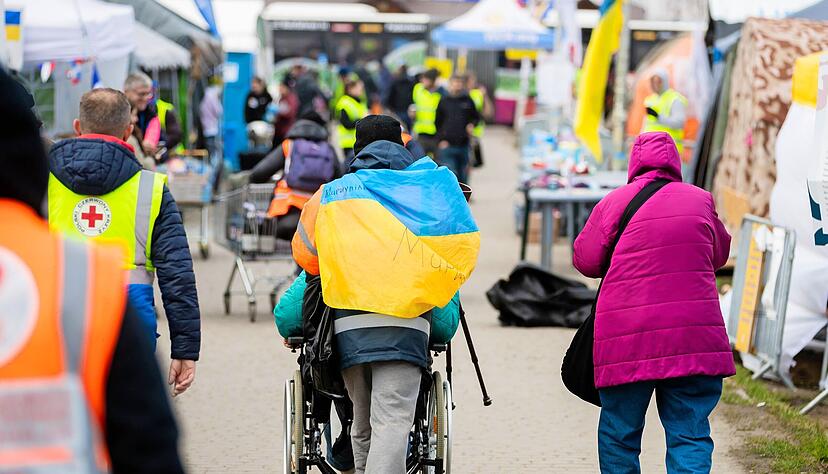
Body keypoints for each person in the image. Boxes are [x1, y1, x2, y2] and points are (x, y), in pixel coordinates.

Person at [0, 68, 183, 472]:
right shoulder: (91, 279)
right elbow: (148, 444)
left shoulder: (54, 186)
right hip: (124, 311)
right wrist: (187, 347)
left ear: (78, 127)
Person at [292, 115, 479, 473]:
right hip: (406, 324)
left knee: (361, 423)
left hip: (348, 325)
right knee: (392, 421)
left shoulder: (332, 193)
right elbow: (454, 242)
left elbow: (307, 258)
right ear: (403, 146)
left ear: (357, 149)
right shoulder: (424, 191)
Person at [572, 132, 735, 474]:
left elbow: (585, 260)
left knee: (620, 435)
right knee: (690, 434)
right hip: (693, 338)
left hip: (627, 338)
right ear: (675, 162)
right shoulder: (701, 200)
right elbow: (719, 254)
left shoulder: (614, 202)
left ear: (634, 163)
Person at [48, 88, 201, 397]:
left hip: (56, 315)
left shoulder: (42, 180)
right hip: (129, 322)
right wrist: (185, 348)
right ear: (129, 131)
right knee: (128, 415)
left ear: (78, 127)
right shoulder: (151, 188)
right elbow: (177, 273)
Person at [250, 111, 342, 240]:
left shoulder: (290, 145)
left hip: (285, 214)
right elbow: (340, 179)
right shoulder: (329, 150)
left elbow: (259, 173)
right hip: (317, 218)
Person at [434, 74, 479, 184]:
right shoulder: (444, 100)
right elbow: (437, 122)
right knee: (451, 175)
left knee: (463, 177)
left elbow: (476, 118)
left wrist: (472, 124)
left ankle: (463, 194)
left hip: (463, 145)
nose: (457, 85)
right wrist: (440, 140)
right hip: (447, 145)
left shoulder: (468, 100)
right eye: (455, 83)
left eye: (460, 83)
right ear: (450, 84)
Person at [642, 69, 688, 155]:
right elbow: (646, 125)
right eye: (653, 82)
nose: (655, 85)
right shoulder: (650, 100)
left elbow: (680, 123)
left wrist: (659, 118)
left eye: (658, 82)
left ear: (664, 82)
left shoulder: (675, 99)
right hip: (650, 149)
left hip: (668, 150)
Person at [410, 69, 442, 159]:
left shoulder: (441, 93)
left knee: (437, 161)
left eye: (425, 79)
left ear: (432, 80)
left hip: (436, 133)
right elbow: (413, 104)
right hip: (421, 132)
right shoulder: (418, 89)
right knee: (420, 160)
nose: (422, 81)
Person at [335, 79, 368, 160]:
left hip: (360, 141)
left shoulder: (359, 101)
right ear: (350, 89)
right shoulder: (344, 102)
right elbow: (346, 124)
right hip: (349, 143)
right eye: (357, 88)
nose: (361, 90)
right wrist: (362, 120)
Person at [200, 78, 224, 186]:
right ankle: (212, 181)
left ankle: (211, 181)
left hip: (207, 129)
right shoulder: (212, 96)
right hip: (212, 130)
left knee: (211, 155)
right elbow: (219, 111)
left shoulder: (205, 96)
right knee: (215, 157)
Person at [466, 73, 492, 168]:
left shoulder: (478, 94)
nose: (473, 84)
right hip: (461, 134)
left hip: (474, 134)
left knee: (471, 163)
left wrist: (484, 96)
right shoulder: (456, 95)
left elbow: (488, 113)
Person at [384, 65, 415, 131]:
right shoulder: (411, 82)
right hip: (409, 109)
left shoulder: (394, 82)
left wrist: (390, 106)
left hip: (398, 110)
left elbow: (390, 95)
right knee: (409, 128)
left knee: (400, 129)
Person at [273, 78, 300, 149]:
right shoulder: (282, 98)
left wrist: (280, 112)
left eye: (282, 87)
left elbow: (290, 113)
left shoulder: (291, 98)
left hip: (286, 132)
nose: (280, 89)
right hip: (279, 131)